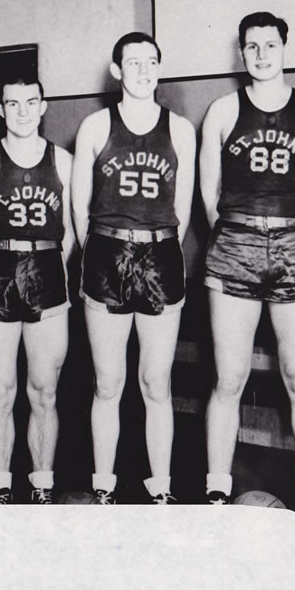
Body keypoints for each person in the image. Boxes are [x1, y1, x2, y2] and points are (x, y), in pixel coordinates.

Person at [199, 12, 295, 550]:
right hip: (234, 245)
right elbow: (209, 198)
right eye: (251, 46)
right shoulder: (223, 110)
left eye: (270, 44)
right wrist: (243, 237)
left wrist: (287, 237)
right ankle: (214, 497)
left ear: (284, 48)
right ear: (240, 53)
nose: (260, 54)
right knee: (228, 378)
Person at [71, 31, 195, 505]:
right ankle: (105, 486)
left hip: (160, 257)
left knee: (156, 382)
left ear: (159, 70)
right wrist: (103, 253)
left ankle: (160, 488)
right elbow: (80, 208)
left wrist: (153, 250)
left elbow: (180, 213)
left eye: (152, 62)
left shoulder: (180, 129)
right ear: (117, 71)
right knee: (107, 382)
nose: (144, 71)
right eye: (134, 63)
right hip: (106, 256)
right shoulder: (95, 126)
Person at [0, 76, 74, 504]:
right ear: (0, 110)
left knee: (44, 389)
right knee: (0, 390)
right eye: (13, 104)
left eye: (31, 103)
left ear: (43, 106)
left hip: (46, 270)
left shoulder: (63, 161)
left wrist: (47, 269)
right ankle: (0, 487)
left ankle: (42, 485)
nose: (23, 112)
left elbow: (71, 234)